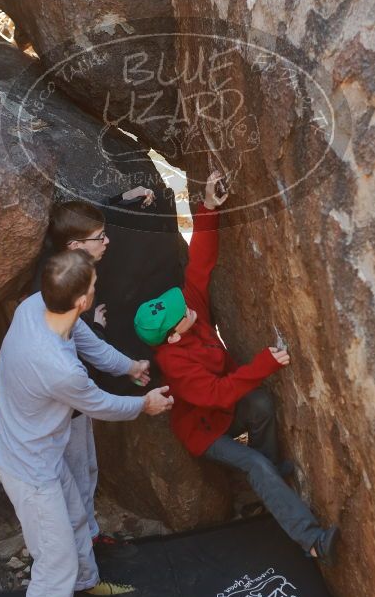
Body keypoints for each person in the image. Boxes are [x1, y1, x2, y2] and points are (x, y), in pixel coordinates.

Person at [134, 171, 339, 564]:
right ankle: (312, 541)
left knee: (261, 405)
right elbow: (216, 394)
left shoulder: (186, 316)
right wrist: (265, 362)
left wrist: (208, 207)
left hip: (225, 410)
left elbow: (200, 265)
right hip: (204, 430)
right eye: (183, 314)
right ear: (172, 336)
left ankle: (270, 482)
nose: (190, 307)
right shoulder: (175, 362)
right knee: (255, 462)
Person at [0, 249, 173, 597]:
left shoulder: (35, 305)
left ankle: (85, 582)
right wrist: (144, 405)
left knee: (76, 517)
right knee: (54, 561)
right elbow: (100, 404)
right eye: (92, 287)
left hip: (39, 447)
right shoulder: (57, 368)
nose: (95, 290)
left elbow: (87, 341)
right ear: (82, 301)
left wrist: (129, 366)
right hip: (27, 467)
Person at [32, 191, 154, 550]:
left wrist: (123, 199)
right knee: (75, 476)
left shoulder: (57, 265)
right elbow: (82, 361)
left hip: (66, 405)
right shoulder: (60, 297)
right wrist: (143, 401)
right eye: (100, 238)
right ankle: (82, 549)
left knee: (85, 471)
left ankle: (88, 535)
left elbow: (69, 218)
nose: (107, 241)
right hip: (60, 412)